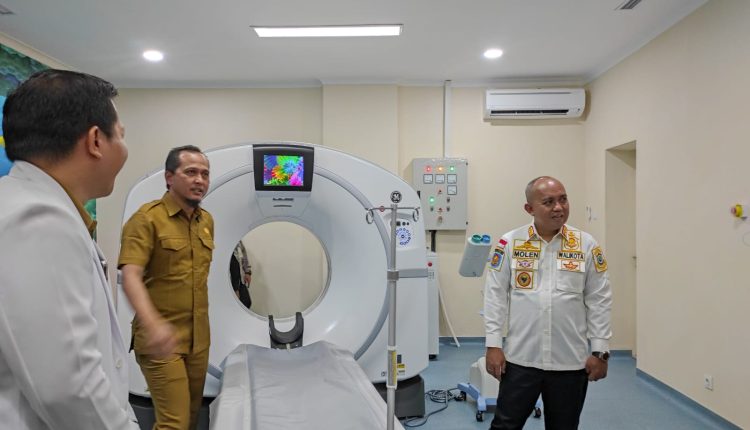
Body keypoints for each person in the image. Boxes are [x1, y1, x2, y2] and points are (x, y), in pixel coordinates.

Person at [0, 69, 138, 429]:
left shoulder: (22, 203)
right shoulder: (39, 219)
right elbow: (70, 391)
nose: (124, 148)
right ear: (96, 140)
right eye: (121, 135)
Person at [484, 176, 612, 430]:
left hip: (569, 361)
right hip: (521, 359)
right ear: (529, 208)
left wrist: (600, 351)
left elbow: (599, 299)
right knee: (505, 426)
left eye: (563, 199)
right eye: (549, 202)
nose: (559, 207)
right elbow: (495, 295)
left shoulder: (586, 245)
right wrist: (493, 345)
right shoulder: (510, 243)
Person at [119, 145, 214, 430]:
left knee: (191, 417)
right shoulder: (147, 219)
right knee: (174, 423)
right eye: (191, 172)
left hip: (198, 340)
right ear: (169, 177)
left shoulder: (206, 221)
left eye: (205, 174)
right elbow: (130, 275)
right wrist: (154, 325)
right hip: (160, 339)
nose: (200, 180)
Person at [230, 241, 253, 308]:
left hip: (239, 280)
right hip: (230, 284)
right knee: (235, 307)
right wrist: (235, 289)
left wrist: (247, 272)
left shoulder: (238, 241)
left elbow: (243, 253)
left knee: (247, 302)